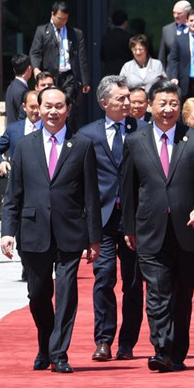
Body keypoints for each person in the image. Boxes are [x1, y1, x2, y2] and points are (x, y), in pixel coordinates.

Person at [0, 86, 102, 373]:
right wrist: (7, 231)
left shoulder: (81, 145)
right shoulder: (24, 145)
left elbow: (91, 195)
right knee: (37, 295)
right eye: (47, 106)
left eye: (59, 106)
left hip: (70, 232)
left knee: (67, 293)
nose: (53, 112)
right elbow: (13, 193)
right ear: (37, 110)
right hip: (33, 231)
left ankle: (59, 353)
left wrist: (94, 238)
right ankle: (45, 344)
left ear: (68, 110)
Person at [121, 80, 194, 372]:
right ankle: (161, 348)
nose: (168, 109)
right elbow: (128, 187)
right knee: (157, 291)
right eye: (162, 103)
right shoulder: (135, 140)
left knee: (182, 292)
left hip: (187, 228)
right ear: (150, 106)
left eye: (173, 103)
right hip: (150, 228)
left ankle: (178, 352)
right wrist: (128, 227)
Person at [79, 76, 147, 362]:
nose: (128, 103)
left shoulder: (143, 130)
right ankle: (104, 340)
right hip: (103, 218)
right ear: (104, 102)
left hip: (135, 219)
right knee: (104, 276)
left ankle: (127, 343)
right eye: (121, 99)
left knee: (133, 282)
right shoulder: (87, 135)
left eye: (128, 97)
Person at [0, 90, 42, 280]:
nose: (36, 111)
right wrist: (0, 163)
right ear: (24, 107)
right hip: (20, 185)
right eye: (32, 107)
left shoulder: (50, 128)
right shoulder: (14, 129)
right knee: (21, 228)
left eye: (39, 107)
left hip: (43, 186)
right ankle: (26, 264)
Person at [29, 1, 90, 131]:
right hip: (51, 76)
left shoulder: (75, 33)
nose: (62, 22)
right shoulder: (42, 31)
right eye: (60, 19)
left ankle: (68, 134)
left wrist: (85, 81)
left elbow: (82, 57)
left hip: (69, 76)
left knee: (68, 107)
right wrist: (36, 69)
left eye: (65, 19)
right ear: (52, 14)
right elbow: (35, 52)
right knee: (51, 105)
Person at [158, 0, 194, 70]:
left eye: (179, 13)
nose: (175, 16)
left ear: (188, 14)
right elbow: (162, 56)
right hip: (173, 72)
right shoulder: (167, 30)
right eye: (174, 13)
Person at [100, 10, 133, 76]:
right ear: (125, 22)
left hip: (108, 72)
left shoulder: (106, 37)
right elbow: (131, 55)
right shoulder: (128, 37)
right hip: (125, 71)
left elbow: (102, 56)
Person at [5, 54, 32, 124]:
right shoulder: (22, 91)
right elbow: (22, 116)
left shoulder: (11, 86)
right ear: (29, 68)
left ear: (14, 70)